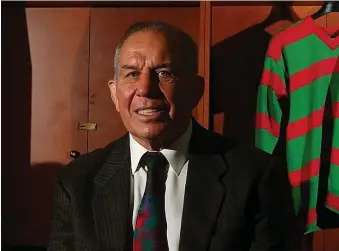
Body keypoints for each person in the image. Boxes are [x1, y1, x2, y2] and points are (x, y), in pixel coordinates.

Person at [47, 21, 295, 251]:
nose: (145, 88)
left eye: (164, 73)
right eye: (132, 74)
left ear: (196, 90)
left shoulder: (254, 175)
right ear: (114, 93)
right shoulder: (76, 182)